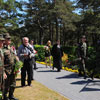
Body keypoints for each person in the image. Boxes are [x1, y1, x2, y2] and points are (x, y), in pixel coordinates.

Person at [3, 33, 19, 100]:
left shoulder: (11, 47)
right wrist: (3, 72)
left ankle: (11, 95)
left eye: (10, 38)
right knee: (5, 85)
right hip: (6, 70)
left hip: (12, 69)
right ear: (4, 40)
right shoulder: (2, 49)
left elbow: (14, 56)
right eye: (8, 38)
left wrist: (17, 60)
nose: (9, 39)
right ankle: (5, 97)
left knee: (13, 84)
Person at [0, 34, 7, 99]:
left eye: (3, 41)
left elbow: (2, 63)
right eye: (1, 41)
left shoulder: (1, 50)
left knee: (2, 88)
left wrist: (4, 72)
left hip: (1, 72)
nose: (3, 42)